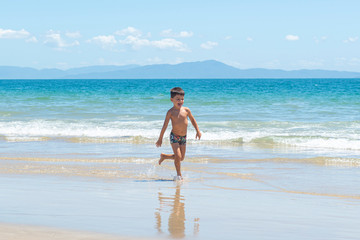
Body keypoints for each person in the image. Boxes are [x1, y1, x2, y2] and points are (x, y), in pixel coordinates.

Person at [156, 87, 201, 180]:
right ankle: (179, 175)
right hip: (174, 136)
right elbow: (164, 126)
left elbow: (193, 120)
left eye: (182, 99)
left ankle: (164, 156)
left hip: (183, 137)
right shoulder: (170, 112)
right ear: (172, 100)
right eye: (178, 99)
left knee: (181, 158)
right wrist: (160, 138)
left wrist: (198, 131)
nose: (180, 101)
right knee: (178, 156)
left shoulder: (186, 110)